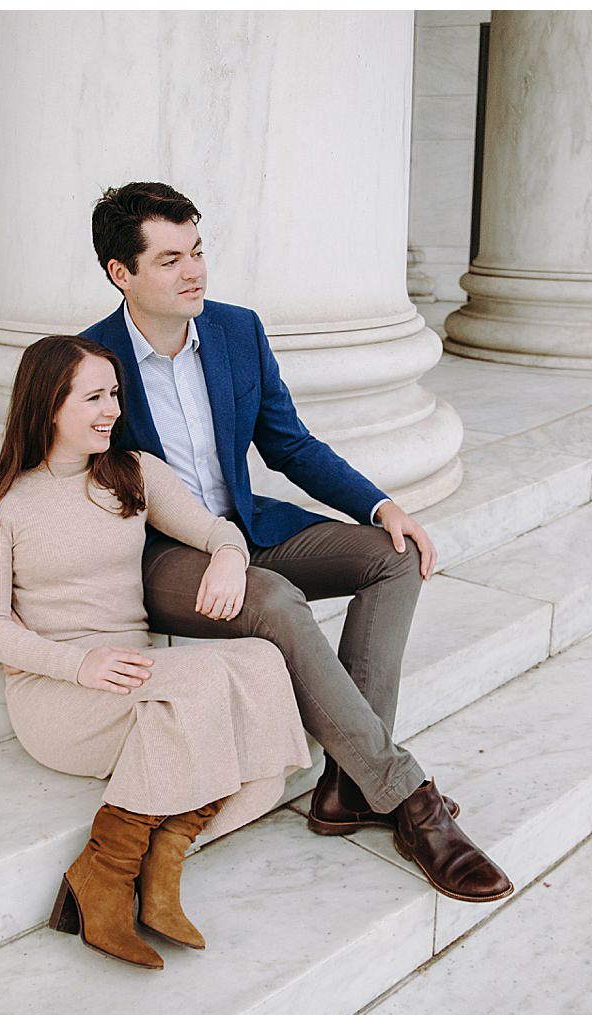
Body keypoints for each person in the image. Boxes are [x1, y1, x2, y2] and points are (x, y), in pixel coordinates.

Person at [80, 181, 513, 903]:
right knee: (275, 598)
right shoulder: (88, 359)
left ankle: (347, 784)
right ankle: (409, 800)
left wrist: (381, 504)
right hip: (162, 560)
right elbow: (60, 479)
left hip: (247, 532)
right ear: (121, 273)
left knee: (393, 557)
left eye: (197, 251)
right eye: (168, 259)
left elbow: (289, 444)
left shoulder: (236, 331)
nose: (194, 272)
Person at [0, 334, 312, 970]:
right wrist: (79, 663)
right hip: (61, 696)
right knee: (202, 688)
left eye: (114, 394)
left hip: (140, 677)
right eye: (93, 397)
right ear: (47, 406)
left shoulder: (134, 473)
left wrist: (231, 556)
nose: (111, 410)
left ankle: (154, 861)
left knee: (263, 663)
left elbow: (212, 527)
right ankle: (120, 870)